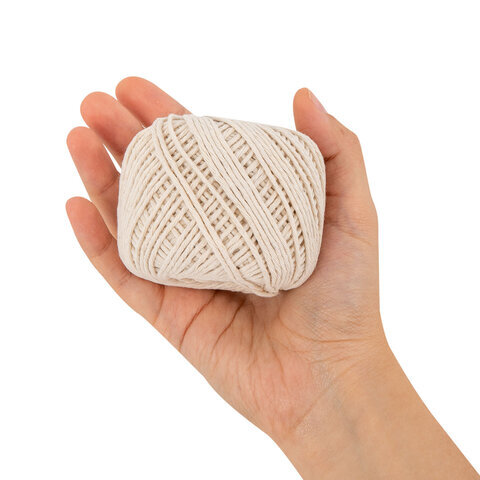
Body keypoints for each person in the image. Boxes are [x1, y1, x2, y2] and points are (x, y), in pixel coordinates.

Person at [66, 77, 479, 479]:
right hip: (214, 235)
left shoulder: (163, 224)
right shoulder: (284, 183)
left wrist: (340, 363)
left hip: (202, 237)